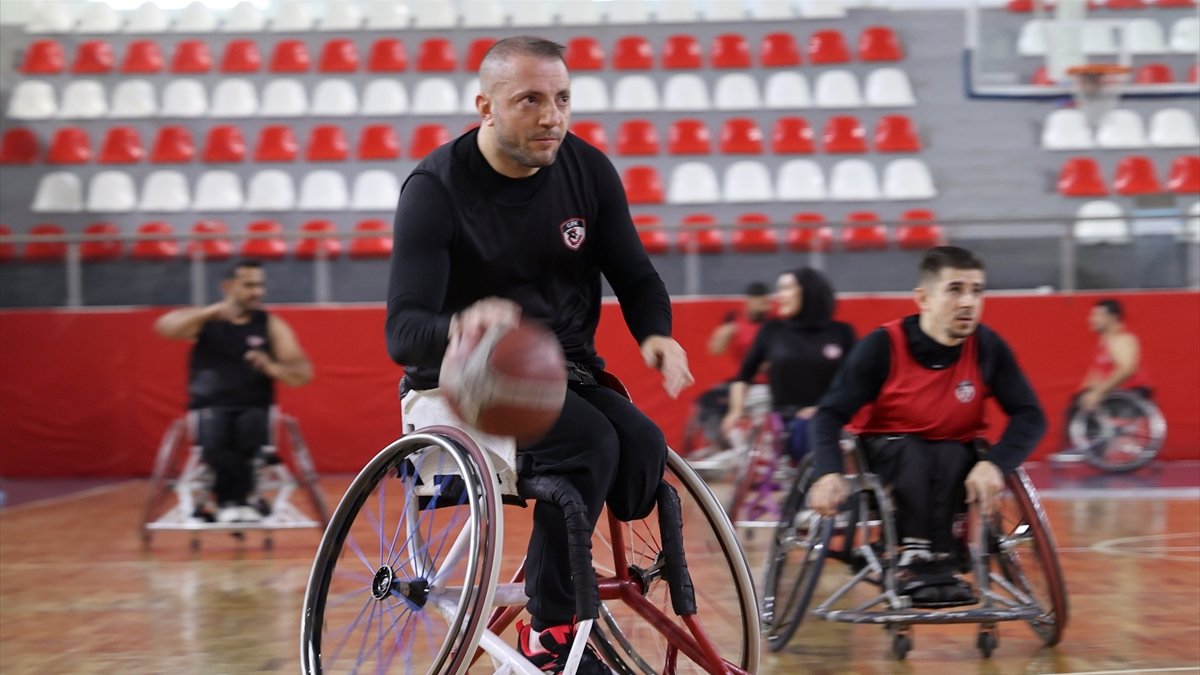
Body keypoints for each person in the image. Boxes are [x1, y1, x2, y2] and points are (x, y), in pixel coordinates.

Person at [384, 37, 692, 674]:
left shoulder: (588, 170)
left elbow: (637, 276)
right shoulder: (435, 188)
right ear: (487, 107)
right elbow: (402, 332)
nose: (552, 116)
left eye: (562, 99)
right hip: (459, 382)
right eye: (530, 100)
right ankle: (549, 631)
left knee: (642, 444)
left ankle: (560, 578)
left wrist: (655, 334)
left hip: (565, 371)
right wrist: (464, 326)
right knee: (587, 445)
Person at [807, 246, 1046, 605]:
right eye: (955, 290)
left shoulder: (987, 347)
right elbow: (829, 414)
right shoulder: (882, 346)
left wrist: (996, 465)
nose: (968, 302)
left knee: (952, 453)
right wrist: (828, 473)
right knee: (915, 450)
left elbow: (1030, 414)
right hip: (888, 453)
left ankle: (943, 560)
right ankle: (915, 555)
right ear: (923, 299)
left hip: (955, 456)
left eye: (977, 291)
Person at [154, 259, 313, 524]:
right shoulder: (205, 322)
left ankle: (236, 501)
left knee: (250, 439)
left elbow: (302, 374)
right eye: (249, 285)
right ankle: (233, 501)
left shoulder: (269, 324)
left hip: (254, 407)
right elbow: (165, 328)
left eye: (260, 285)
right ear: (228, 286)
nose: (257, 292)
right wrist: (209, 313)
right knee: (215, 440)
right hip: (209, 407)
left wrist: (271, 367)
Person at [719, 268, 856, 463]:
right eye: (779, 289)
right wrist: (736, 410)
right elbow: (743, 377)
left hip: (830, 418)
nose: (780, 296)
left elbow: (855, 382)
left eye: (787, 288)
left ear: (809, 291)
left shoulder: (841, 332)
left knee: (817, 430)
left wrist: (823, 408)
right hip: (784, 423)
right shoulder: (772, 330)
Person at [685, 281, 770, 459]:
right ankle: (718, 447)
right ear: (750, 301)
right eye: (761, 301)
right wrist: (726, 332)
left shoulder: (772, 326)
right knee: (707, 401)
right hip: (741, 382)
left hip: (763, 383)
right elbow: (715, 349)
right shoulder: (736, 322)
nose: (765, 306)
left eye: (766, 302)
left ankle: (738, 452)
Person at [1073, 298, 1151, 415]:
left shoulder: (1122, 339)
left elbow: (1127, 369)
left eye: (1097, 315)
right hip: (1111, 395)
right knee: (1077, 403)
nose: (1092, 320)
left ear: (1112, 317)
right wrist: (1084, 394)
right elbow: (1096, 376)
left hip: (1129, 395)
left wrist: (1098, 393)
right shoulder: (1104, 345)